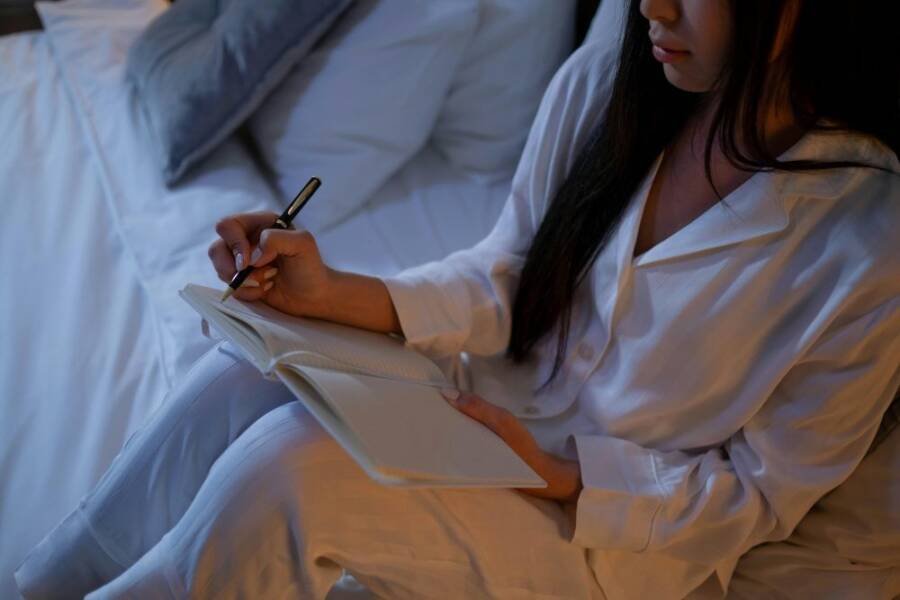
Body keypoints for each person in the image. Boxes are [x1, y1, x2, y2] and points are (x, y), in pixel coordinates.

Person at [15, 0, 900, 598]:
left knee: (290, 470)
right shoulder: (608, 85)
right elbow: (512, 272)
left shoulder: (866, 239)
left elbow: (762, 492)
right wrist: (336, 296)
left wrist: (564, 476)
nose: (650, 8)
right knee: (245, 372)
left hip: (605, 538)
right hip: (484, 413)